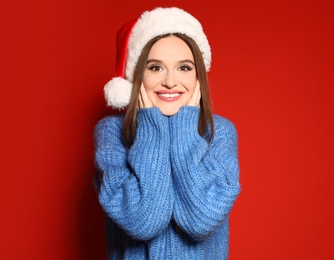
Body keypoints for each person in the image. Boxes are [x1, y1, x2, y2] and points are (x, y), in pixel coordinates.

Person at [94, 7, 241, 259]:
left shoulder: (221, 133)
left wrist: (184, 130)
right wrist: (152, 130)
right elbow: (143, 220)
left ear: (198, 77)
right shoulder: (111, 133)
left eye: (184, 68)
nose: (170, 82)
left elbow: (200, 219)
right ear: (138, 75)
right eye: (155, 68)